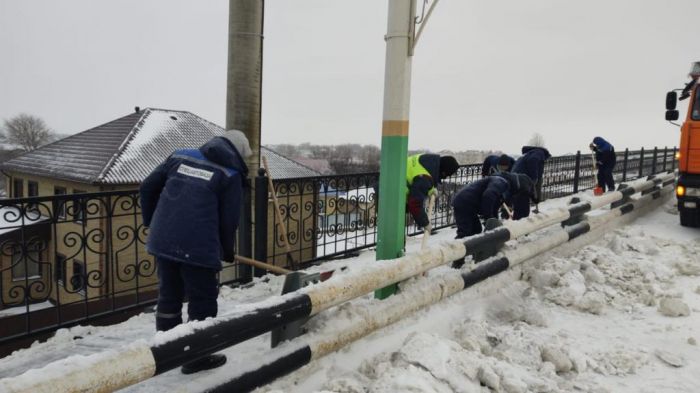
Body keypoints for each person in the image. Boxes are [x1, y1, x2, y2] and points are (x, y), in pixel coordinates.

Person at [140, 130, 252, 374]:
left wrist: (152, 222)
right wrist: (227, 250)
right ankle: (196, 357)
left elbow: (147, 187)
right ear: (238, 153)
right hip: (198, 247)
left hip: (163, 240)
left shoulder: (178, 156)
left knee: (169, 296)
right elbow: (228, 221)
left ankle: (168, 352)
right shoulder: (230, 174)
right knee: (202, 301)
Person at [452, 172, 534, 238]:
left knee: (476, 230)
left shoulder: (505, 189)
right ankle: (454, 255)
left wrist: (495, 224)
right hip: (464, 203)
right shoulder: (501, 182)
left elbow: (494, 207)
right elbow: (488, 196)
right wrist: (489, 218)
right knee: (465, 232)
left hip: (469, 204)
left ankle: (475, 254)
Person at [406, 153, 460, 228]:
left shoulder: (427, 160)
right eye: (446, 175)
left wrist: (430, 189)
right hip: (394, 193)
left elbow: (417, 178)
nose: (445, 178)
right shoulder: (425, 178)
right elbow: (415, 203)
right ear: (443, 172)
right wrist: (425, 223)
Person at [511, 146, 551, 219]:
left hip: (517, 180)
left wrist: (535, 197)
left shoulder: (529, 154)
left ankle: (518, 223)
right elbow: (532, 160)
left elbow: (536, 183)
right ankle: (520, 225)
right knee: (523, 208)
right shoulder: (540, 153)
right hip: (521, 181)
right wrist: (534, 177)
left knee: (520, 206)